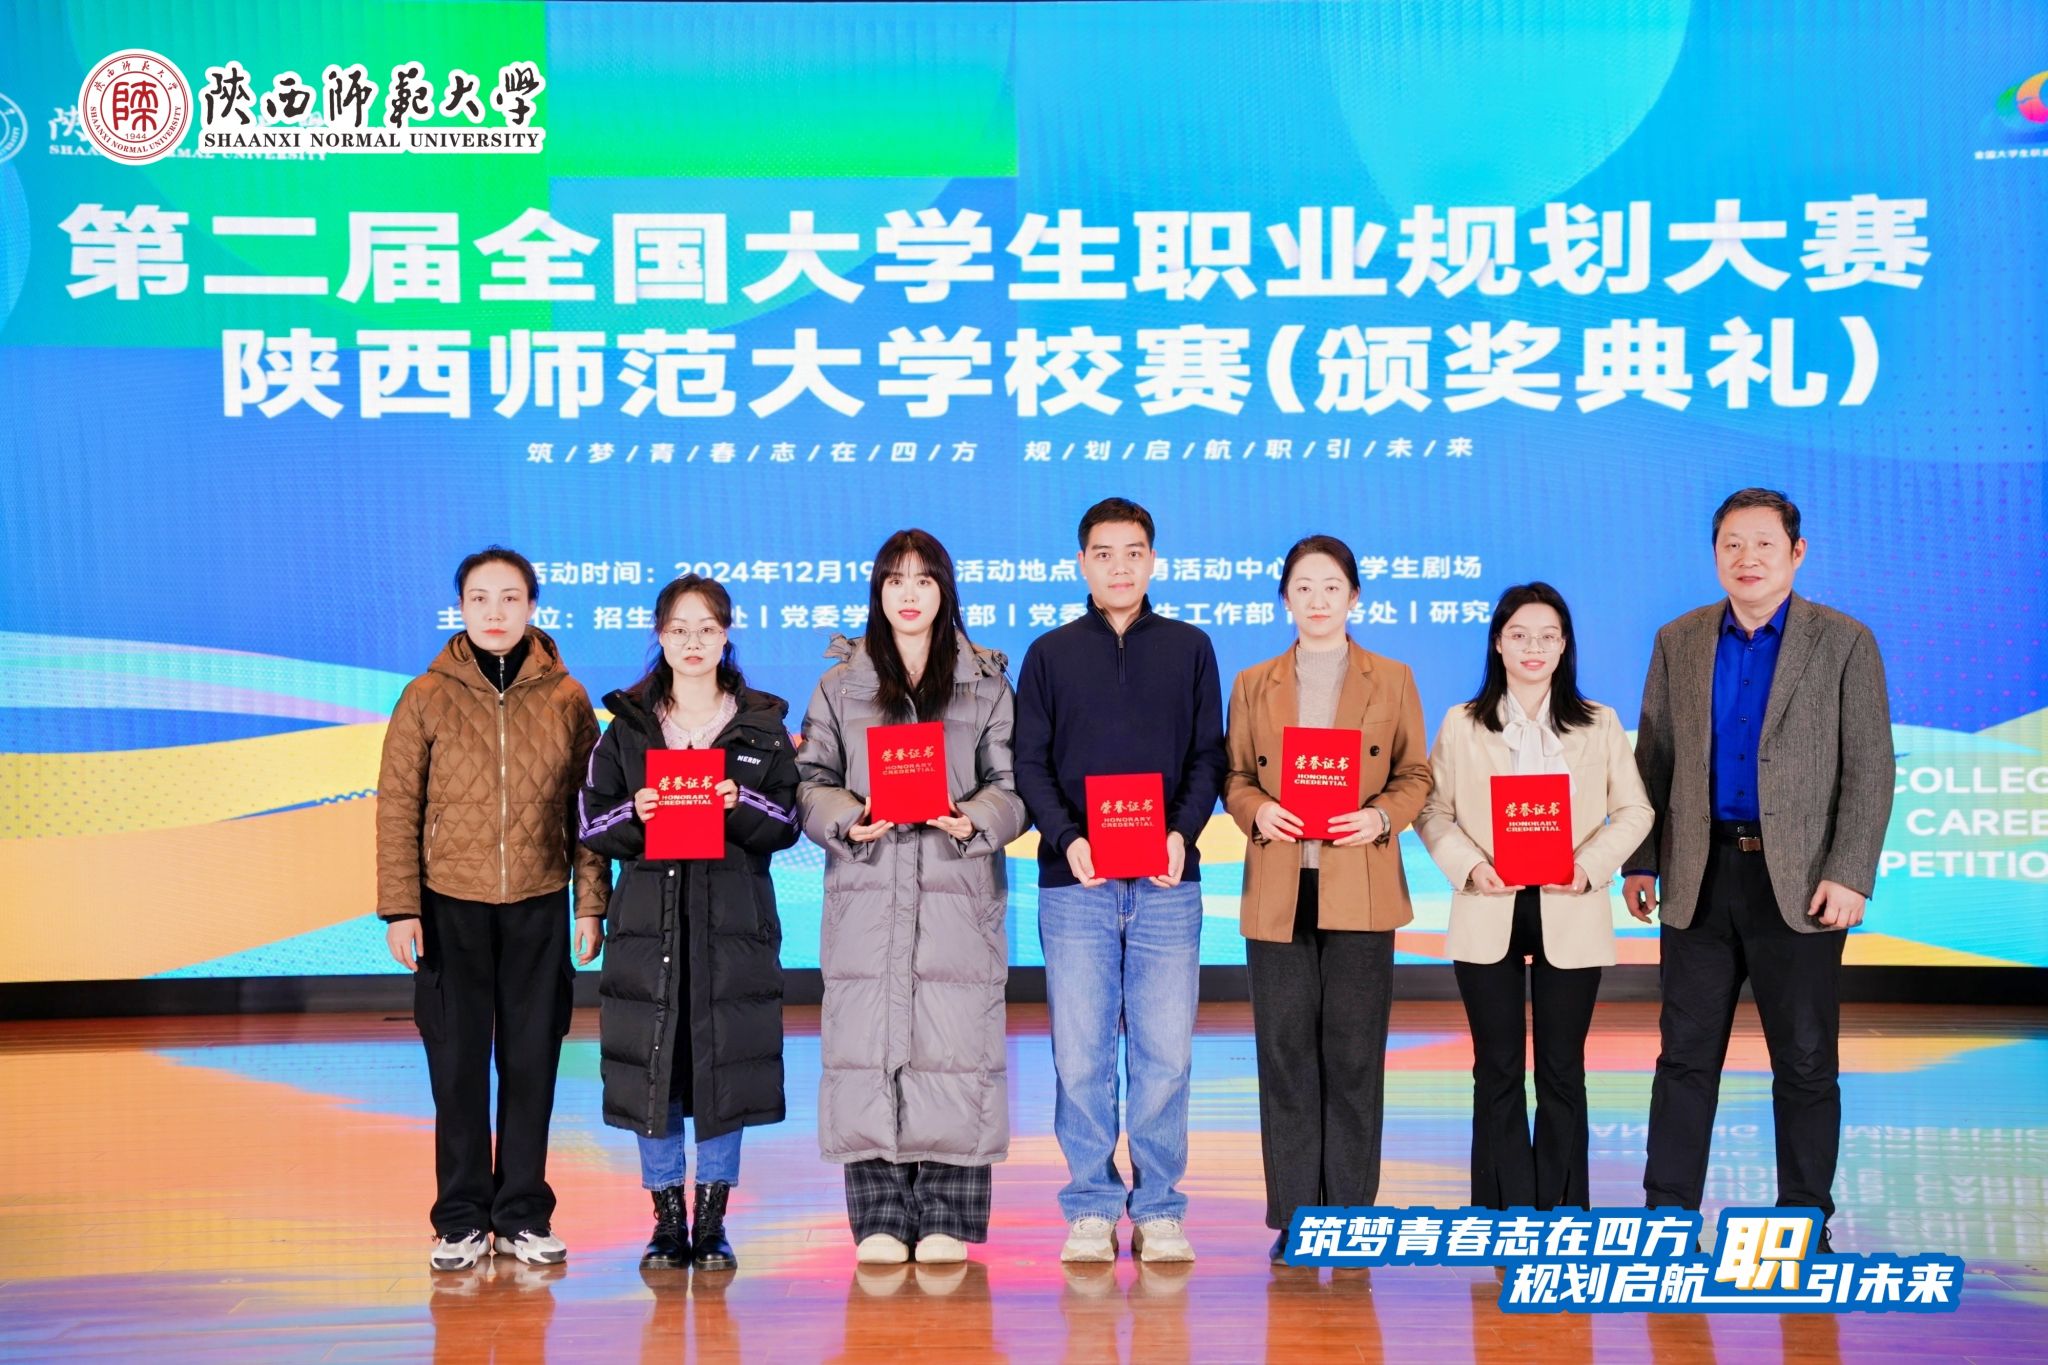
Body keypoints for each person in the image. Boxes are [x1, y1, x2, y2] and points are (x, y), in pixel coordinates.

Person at [1626, 489, 1894, 1251]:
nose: (1747, 558)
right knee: (1684, 1056)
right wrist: (1642, 860)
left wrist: (1850, 871)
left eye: (1764, 543)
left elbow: (1870, 766)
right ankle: (1667, 1215)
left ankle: (1804, 1218)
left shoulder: (1844, 641)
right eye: (1732, 544)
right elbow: (1654, 757)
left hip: (1802, 883)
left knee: (1805, 1059)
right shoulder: (1678, 639)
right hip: (1699, 874)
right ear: (1715, 554)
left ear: (1796, 552)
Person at [797, 529, 1029, 1264]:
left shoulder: (985, 682)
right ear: (877, 592)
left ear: (944, 592)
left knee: (954, 1045)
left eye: (923, 580)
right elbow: (809, 781)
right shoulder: (841, 685)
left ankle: (948, 1216)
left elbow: (1012, 789)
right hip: (867, 887)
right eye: (895, 580)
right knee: (867, 1045)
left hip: (956, 887)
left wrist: (973, 819)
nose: (908, 593)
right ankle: (878, 1216)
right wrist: (848, 817)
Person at [376, 545, 609, 1271]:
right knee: (456, 1068)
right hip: (449, 906)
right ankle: (459, 1219)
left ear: (532, 607)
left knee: (532, 1063)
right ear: (461, 607)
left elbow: (589, 814)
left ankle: (522, 1214)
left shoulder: (567, 698)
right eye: (480, 598)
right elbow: (397, 807)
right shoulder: (426, 695)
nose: (495, 612)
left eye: (510, 597)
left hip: (539, 904)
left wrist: (590, 903)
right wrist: (401, 908)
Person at [1014, 497, 1228, 1264]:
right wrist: (1067, 838)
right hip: (1075, 883)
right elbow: (1029, 762)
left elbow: (1209, 755)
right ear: (1082, 562)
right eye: (1103, 553)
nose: (1120, 566)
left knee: (1166, 1055)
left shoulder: (1190, 647)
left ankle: (1160, 1206)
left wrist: (1181, 833)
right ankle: (1092, 1205)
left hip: (1169, 881)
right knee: (1081, 1056)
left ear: (1153, 559)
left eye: (1134, 551)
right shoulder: (1049, 653)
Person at [577, 574, 800, 1273]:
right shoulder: (628, 727)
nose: (693, 641)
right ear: (660, 635)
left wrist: (739, 803)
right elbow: (590, 822)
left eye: (707, 628)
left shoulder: (761, 725)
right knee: (657, 1070)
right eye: (679, 629)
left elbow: (789, 822)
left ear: (726, 634)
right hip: (651, 930)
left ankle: (713, 1221)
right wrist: (637, 813)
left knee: (723, 1069)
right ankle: (667, 1219)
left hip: (732, 929)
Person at [1222, 534, 1432, 1263]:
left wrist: (1381, 817)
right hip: (1281, 884)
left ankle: (1351, 1215)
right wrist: (1257, 810)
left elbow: (1415, 774)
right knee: (1284, 1054)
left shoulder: (1392, 678)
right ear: (1285, 597)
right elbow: (1234, 775)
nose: (1317, 600)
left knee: (1353, 1055)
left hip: (1359, 884)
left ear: (1355, 597)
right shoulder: (1253, 682)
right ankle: (1296, 1216)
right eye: (1303, 587)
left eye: (1331, 586)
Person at [1415, 582, 1653, 1213]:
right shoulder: (1462, 723)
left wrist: (1588, 867)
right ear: (1498, 642)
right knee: (1495, 1067)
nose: (1533, 647)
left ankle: (1563, 1209)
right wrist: (1470, 866)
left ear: (1565, 645)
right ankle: (1501, 1210)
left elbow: (1636, 810)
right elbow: (1431, 810)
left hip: (1568, 902)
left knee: (1562, 1069)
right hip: (1488, 901)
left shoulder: (1598, 722)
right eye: (1519, 635)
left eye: (1548, 636)